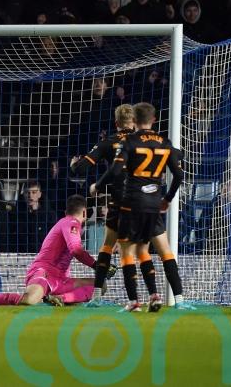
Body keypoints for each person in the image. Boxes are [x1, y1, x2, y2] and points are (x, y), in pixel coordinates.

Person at [92, 102, 191, 312]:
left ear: (134, 120)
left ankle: (134, 301)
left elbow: (115, 171)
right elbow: (179, 174)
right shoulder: (165, 142)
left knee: (127, 251)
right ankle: (171, 298)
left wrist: (97, 186)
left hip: (131, 203)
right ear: (154, 119)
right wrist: (168, 198)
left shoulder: (129, 141)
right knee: (154, 250)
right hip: (154, 204)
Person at [0, 195, 98, 307]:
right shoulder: (71, 222)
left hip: (61, 280)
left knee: (99, 284)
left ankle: (60, 298)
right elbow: (76, 250)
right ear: (84, 212)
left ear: (66, 211)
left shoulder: (66, 223)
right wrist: (97, 265)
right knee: (29, 300)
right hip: (45, 273)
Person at [71, 104, 133, 304]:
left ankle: (96, 296)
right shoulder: (144, 141)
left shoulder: (108, 142)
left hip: (119, 201)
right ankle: (149, 297)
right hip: (144, 202)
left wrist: (74, 165)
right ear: (134, 122)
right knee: (143, 251)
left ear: (116, 123)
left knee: (107, 247)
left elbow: (81, 168)